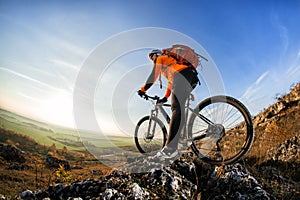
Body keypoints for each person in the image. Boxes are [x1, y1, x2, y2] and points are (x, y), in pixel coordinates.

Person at [137, 48, 199, 160]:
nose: (152, 59)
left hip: (183, 75)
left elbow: (153, 77)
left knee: (176, 108)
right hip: (191, 76)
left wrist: (143, 89)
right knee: (179, 108)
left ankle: (170, 149)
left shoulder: (161, 59)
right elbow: (171, 84)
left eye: (152, 56)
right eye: (151, 58)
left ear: (157, 54)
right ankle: (182, 139)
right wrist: (165, 97)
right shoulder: (170, 65)